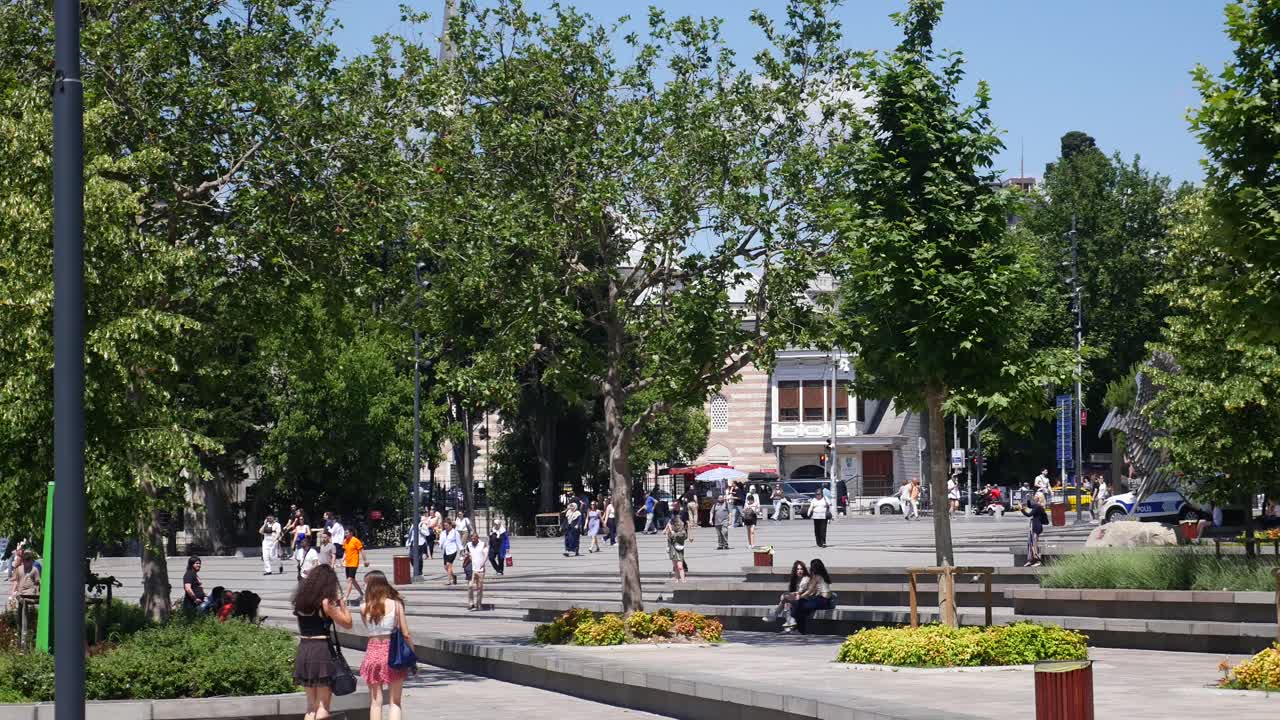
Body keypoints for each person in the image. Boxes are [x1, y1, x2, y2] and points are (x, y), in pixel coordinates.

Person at [292, 564, 354, 720]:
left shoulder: (300, 601)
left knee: (310, 707)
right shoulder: (325, 603)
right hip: (321, 650)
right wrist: (343, 606)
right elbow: (347, 623)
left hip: (304, 649)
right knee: (323, 705)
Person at [359, 570, 413, 720]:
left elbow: (369, 630)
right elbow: (406, 633)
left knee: (375, 702)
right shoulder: (396, 605)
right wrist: (412, 653)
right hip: (393, 653)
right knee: (395, 702)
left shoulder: (364, 607)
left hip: (372, 653)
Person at [789, 558, 834, 634]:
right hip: (826, 601)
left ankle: (794, 622)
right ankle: (799, 629)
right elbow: (815, 591)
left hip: (823, 601)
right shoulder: (823, 575)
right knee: (803, 609)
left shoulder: (816, 577)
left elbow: (809, 591)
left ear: (813, 568)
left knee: (798, 604)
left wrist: (800, 597)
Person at [763, 561, 809, 627]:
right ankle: (790, 622)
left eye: (801, 569)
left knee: (785, 597)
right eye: (798, 569)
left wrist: (786, 595)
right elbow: (793, 593)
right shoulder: (795, 579)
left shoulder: (806, 579)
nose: (799, 571)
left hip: (805, 600)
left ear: (804, 570)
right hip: (796, 600)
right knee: (787, 603)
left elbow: (800, 592)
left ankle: (775, 615)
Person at [1022, 492, 1049, 567]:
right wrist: (1028, 499)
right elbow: (1030, 506)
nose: (1035, 495)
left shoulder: (1038, 506)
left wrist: (1021, 509)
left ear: (1039, 498)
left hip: (1036, 527)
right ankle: (1031, 560)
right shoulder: (1037, 505)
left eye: (1036, 495)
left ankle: (1038, 560)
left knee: (1034, 544)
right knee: (1030, 543)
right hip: (1033, 526)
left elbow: (1028, 514)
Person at [342, 530, 369, 604]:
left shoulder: (356, 541)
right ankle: (361, 594)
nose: (345, 534)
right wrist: (343, 559)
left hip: (354, 563)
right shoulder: (345, 541)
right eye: (345, 533)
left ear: (351, 533)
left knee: (349, 580)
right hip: (347, 563)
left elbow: (362, 550)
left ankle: (345, 597)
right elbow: (345, 551)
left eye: (347, 533)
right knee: (352, 580)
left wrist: (365, 560)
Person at [465, 532, 489, 611]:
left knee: (479, 587)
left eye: (474, 538)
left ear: (478, 538)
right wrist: (467, 555)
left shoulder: (482, 544)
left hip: (480, 569)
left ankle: (478, 604)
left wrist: (483, 563)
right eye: (471, 538)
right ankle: (471, 603)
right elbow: (465, 553)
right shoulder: (469, 545)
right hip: (472, 569)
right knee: (470, 586)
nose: (473, 540)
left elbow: (486, 554)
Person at [439, 518, 463, 585]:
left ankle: (449, 580)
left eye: (446, 525)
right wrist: (440, 544)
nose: (445, 527)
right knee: (445, 567)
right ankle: (453, 576)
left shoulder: (455, 532)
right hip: (445, 551)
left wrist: (461, 550)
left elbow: (459, 542)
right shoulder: (443, 533)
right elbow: (441, 541)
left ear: (450, 525)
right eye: (444, 525)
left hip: (452, 550)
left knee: (449, 565)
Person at [666, 515, 689, 583]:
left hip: (679, 551)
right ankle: (677, 579)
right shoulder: (672, 531)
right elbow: (669, 539)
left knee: (680, 566)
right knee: (675, 566)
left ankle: (683, 579)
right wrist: (668, 531)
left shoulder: (682, 532)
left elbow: (679, 536)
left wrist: (671, 530)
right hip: (672, 550)